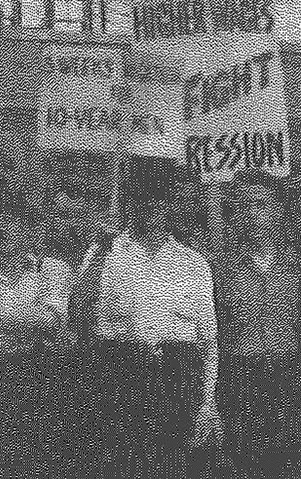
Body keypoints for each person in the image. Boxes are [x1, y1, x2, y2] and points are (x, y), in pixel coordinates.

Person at [73, 155, 220, 479]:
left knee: (172, 467)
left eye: (159, 198)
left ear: (170, 204)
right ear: (129, 202)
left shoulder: (193, 262)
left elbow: (208, 343)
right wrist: (101, 249)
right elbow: (78, 310)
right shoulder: (106, 251)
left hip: (176, 375)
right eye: (141, 198)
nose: (151, 206)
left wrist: (207, 402)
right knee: (123, 466)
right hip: (120, 372)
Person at [0, 197, 71, 479]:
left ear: (27, 231)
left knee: (36, 461)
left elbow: (52, 319)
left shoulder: (50, 271)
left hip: (38, 381)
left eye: (12, 226)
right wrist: (25, 324)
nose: (4, 234)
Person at [212, 170, 301, 479]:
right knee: (244, 465)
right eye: (244, 207)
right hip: (240, 376)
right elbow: (214, 334)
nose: (253, 215)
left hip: (288, 377)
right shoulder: (219, 268)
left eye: (261, 205)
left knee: (288, 464)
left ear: (278, 210)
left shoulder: (299, 267)